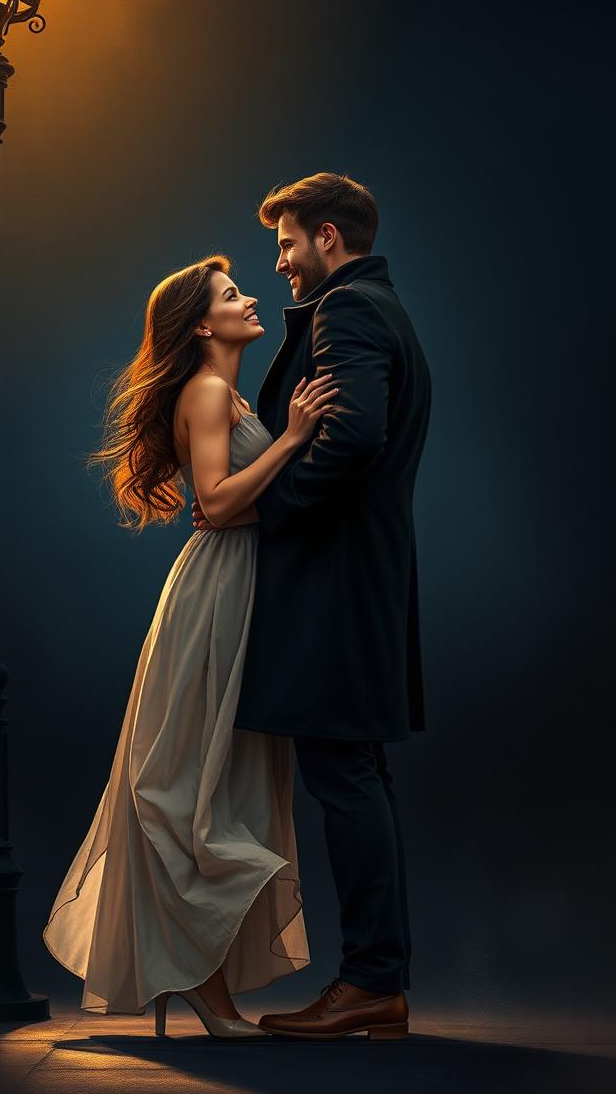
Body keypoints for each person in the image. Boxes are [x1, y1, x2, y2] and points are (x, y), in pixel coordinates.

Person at [42, 254, 339, 1038]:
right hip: (214, 598)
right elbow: (215, 500)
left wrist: (269, 471)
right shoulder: (208, 391)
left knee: (206, 786)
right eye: (232, 294)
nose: (251, 300)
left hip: (230, 591)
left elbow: (233, 507)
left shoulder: (226, 393)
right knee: (190, 792)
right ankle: (207, 992)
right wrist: (293, 440)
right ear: (203, 325)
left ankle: (194, 979)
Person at [193, 172, 432, 1041]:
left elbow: (353, 434)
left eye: (289, 244)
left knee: (344, 776)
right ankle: (378, 979)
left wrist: (262, 509)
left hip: (334, 587)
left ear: (328, 237)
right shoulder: (379, 307)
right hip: (360, 579)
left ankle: (370, 981)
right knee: (356, 774)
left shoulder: (350, 312)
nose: (283, 264)